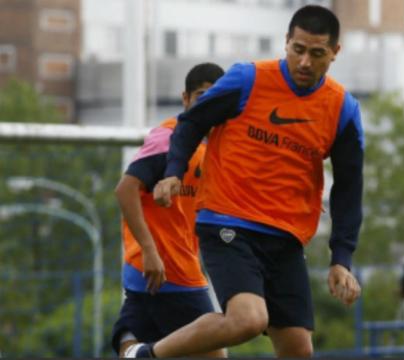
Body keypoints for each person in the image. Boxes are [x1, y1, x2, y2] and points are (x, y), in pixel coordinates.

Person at [126, 5, 364, 358]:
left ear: (334, 53)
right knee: (248, 319)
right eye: (297, 49)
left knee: (298, 349)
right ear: (286, 42)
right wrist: (174, 171)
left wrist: (341, 259)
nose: (304, 62)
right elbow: (191, 122)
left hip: (285, 238)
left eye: (316, 54)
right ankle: (146, 355)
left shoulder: (342, 108)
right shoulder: (247, 80)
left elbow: (348, 187)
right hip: (228, 222)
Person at [111, 63, 227, 357]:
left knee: (136, 336)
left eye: (216, 97)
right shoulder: (168, 139)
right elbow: (125, 190)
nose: (208, 103)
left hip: (156, 269)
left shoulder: (212, 145)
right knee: (215, 349)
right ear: (185, 99)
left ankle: (130, 343)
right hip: (168, 269)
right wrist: (150, 251)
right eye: (202, 95)